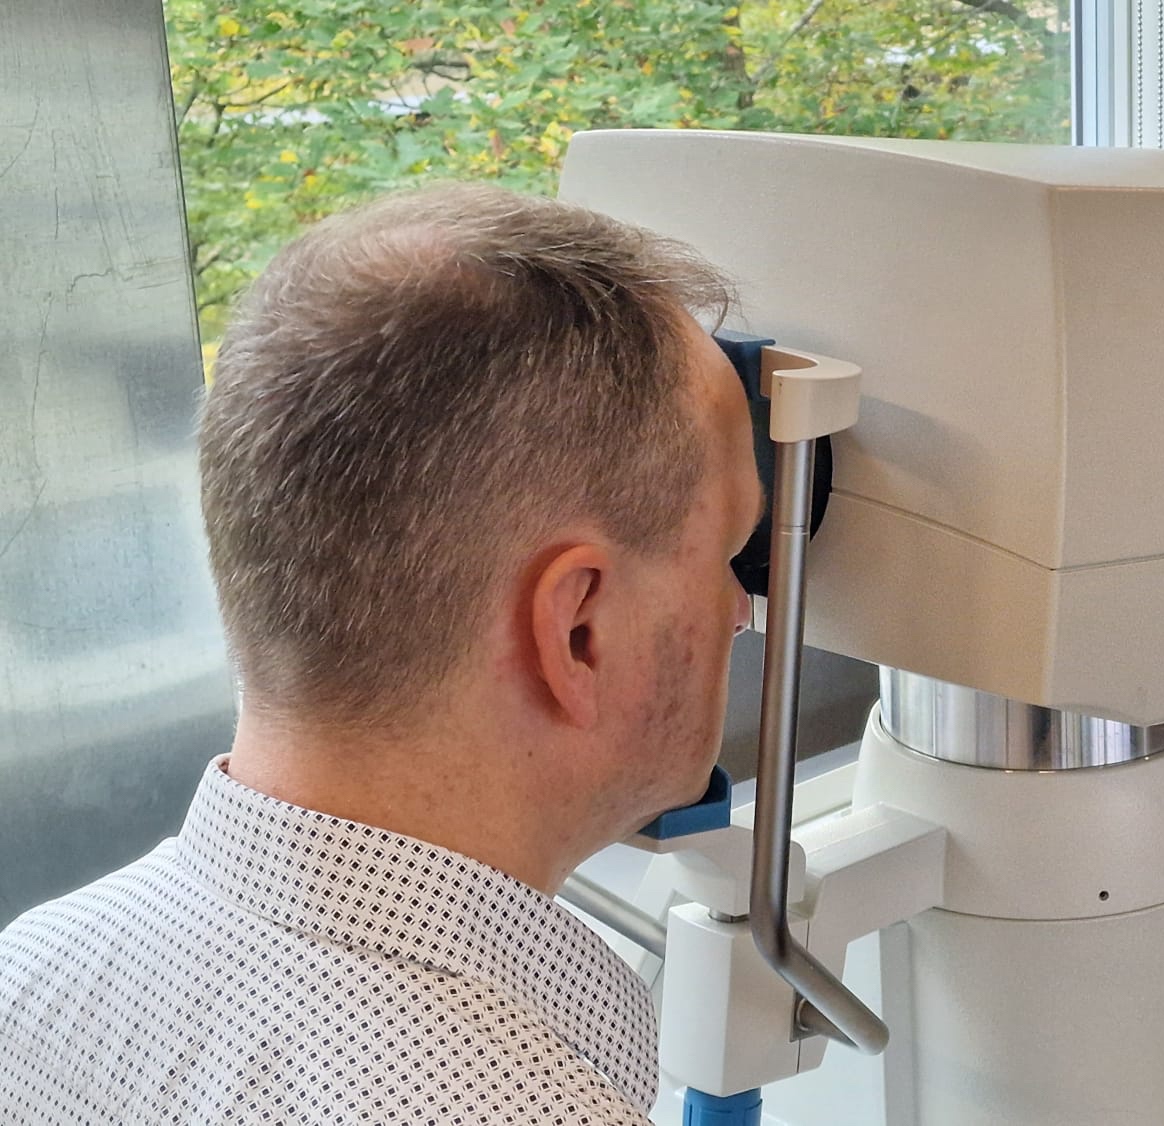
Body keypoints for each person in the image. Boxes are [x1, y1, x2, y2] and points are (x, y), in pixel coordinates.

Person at [0, 184, 765, 1124]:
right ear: (578, 629)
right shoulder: (518, 1103)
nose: (739, 608)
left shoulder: (35, 973)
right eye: (728, 553)